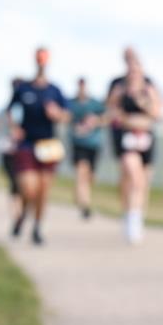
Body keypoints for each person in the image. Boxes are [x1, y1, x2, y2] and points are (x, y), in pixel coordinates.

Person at [8, 47, 69, 245]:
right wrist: (14, 127)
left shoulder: (55, 90)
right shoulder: (24, 89)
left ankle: (37, 226)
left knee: (43, 190)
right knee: (28, 188)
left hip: (48, 145)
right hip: (27, 144)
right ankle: (23, 214)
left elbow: (66, 115)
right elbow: (9, 111)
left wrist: (57, 114)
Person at [106, 47, 163, 244]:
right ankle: (130, 216)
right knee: (132, 177)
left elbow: (157, 113)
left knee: (143, 182)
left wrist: (143, 102)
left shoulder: (149, 86)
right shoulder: (117, 85)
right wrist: (123, 110)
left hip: (145, 138)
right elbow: (111, 111)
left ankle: (136, 215)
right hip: (125, 138)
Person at [68, 77, 106, 220]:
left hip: (94, 144)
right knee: (80, 172)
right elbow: (65, 116)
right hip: (78, 144)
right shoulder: (71, 104)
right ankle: (85, 205)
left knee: (90, 177)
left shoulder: (95, 104)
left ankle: (81, 195)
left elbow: (106, 118)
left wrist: (95, 122)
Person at [0, 77, 25, 223]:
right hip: (9, 150)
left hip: (21, 150)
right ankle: (16, 214)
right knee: (14, 184)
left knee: (20, 184)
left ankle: (19, 213)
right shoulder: (10, 108)